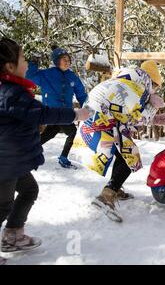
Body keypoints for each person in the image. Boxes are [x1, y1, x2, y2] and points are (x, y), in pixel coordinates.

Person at [0, 38, 90, 261]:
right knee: (3, 206)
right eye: (23, 59)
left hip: (14, 160)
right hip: (6, 162)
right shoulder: (11, 93)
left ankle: (13, 234)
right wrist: (75, 114)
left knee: (29, 190)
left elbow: (79, 89)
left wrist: (84, 101)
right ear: (10, 67)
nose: (27, 63)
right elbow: (39, 113)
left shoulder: (14, 90)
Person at [75, 60, 165, 223]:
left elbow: (129, 114)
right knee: (130, 157)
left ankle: (115, 186)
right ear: (152, 81)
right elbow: (139, 117)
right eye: (156, 88)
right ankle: (107, 196)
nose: (155, 91)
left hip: (94, 117)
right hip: (103, 120)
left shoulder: (128, 80)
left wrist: (156, 119)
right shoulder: (140, 86)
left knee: (124, 152)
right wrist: (153, 107)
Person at [26, 45, 88, 169]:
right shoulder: (47, 74)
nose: (67, 62)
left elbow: (81, 94)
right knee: (72, 132)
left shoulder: (72, 77)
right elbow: (30, 77)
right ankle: (63, 157)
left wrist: (86, 107)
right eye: (63, 59)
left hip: (64, 112)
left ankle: (28, 151)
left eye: (68, 59)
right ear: (56, 61)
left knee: (50, 133)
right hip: (51, 111)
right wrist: (33, 63)